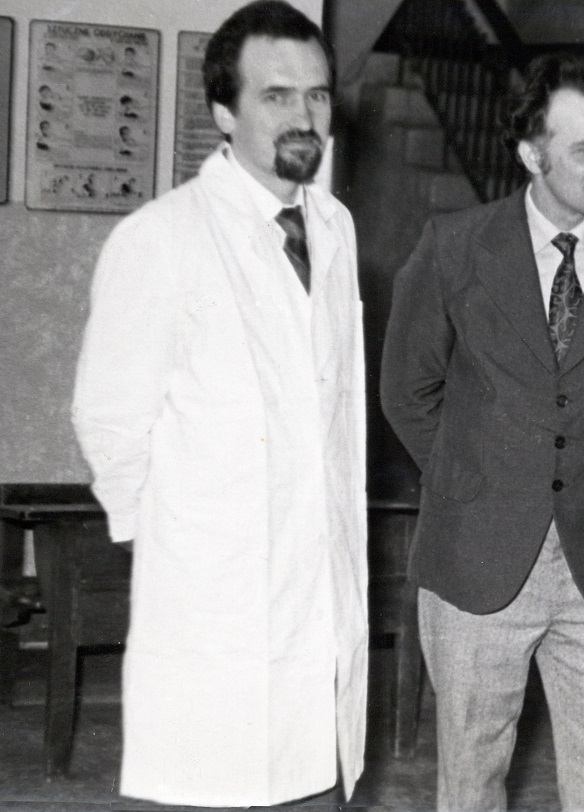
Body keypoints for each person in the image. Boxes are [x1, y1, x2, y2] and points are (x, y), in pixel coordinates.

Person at [381, 52, 584, 812]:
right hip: (474, 560)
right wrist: (476, 479)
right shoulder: (454, 246)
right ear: (531, 153)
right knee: (470, 785)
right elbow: (406, 392)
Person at [72, 1, 366, 806]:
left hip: (316, 590)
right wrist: (179, 548)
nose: (304, 116)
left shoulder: (333, 229)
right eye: (277, 96)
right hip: (209, 604)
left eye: (317, 95)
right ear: (224, 113)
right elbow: (108, 418)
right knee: (213, 783)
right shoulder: (160, 237)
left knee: (311, 782)